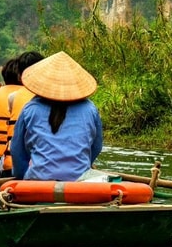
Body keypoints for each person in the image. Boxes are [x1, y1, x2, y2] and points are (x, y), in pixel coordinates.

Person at [10, 51, 103, 181]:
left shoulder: (30, 109)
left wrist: (21, 176)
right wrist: (83, 166)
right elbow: (97, 146)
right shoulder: (90, 108)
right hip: (79, 183)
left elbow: (16, 150)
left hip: (38, 181)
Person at [0, 51, 44, 175]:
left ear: (20, 75)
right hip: (42, 167)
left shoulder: (8, 96)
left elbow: (16, 144)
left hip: (3, 159)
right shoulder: (54, 98)